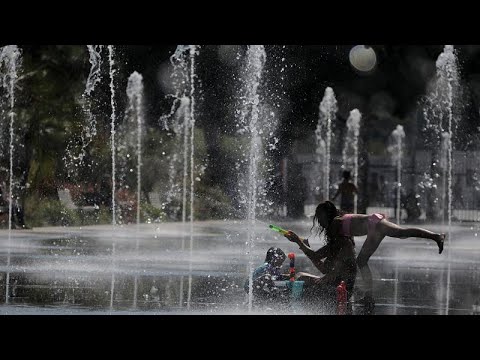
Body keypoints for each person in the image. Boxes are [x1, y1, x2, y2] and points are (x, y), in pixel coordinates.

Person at [296, 200, 445, 309]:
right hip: (375, 223)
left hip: (374, 225)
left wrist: (302, 244)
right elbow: (334, 248)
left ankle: (436, 236)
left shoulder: (335, 223)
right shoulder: (338, 220)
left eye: (320, 217)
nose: (319, 221)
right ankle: (436, 237)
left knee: (399, 235)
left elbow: (328, 250)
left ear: (326, 214)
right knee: (368, 256)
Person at [283, 210, 357, 304]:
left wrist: (298, 241)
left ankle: (289, 302)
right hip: (333, 284)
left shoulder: (345, 244)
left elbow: (331, 272)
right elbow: (323, 268)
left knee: (303, 283)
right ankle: (288, 300)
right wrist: (304, 245)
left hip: (341, 291)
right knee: (300, 276)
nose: (326, 229)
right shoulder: (335, 243)